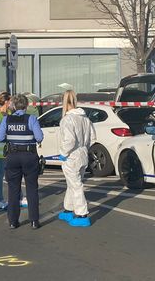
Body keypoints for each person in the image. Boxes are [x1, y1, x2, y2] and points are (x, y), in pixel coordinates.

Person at [0, 94, 44, 229]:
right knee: (32, 189)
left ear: (13, 106)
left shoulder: (6, 119)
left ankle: (13, 221)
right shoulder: (32, 118)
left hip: (13, 156)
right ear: (26, 105)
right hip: (29, 156)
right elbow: (39, 138)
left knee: (13, 189)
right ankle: (34, 221)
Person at [57, 90, 96, 227]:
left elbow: (69, 140)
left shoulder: (67, 119)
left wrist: (63, 153)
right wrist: (85, 148)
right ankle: (68, 209)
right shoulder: (85, 118)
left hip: (71, 156)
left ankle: (82, 214)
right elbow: (93, 137)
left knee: (76, 185)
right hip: (83, 154)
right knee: (72, 184)